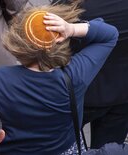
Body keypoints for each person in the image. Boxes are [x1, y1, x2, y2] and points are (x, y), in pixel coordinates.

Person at [0, 2, 119, 155]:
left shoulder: (0, 78)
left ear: (18, 44)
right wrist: (71, 29)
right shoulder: (74, 76)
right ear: (61, 43)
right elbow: (110, 35)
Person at [53, 0, 128, 149]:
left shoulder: (73, 6)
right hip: (122, 93)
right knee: (108, 148)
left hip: (80, 92)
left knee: (63, 144)